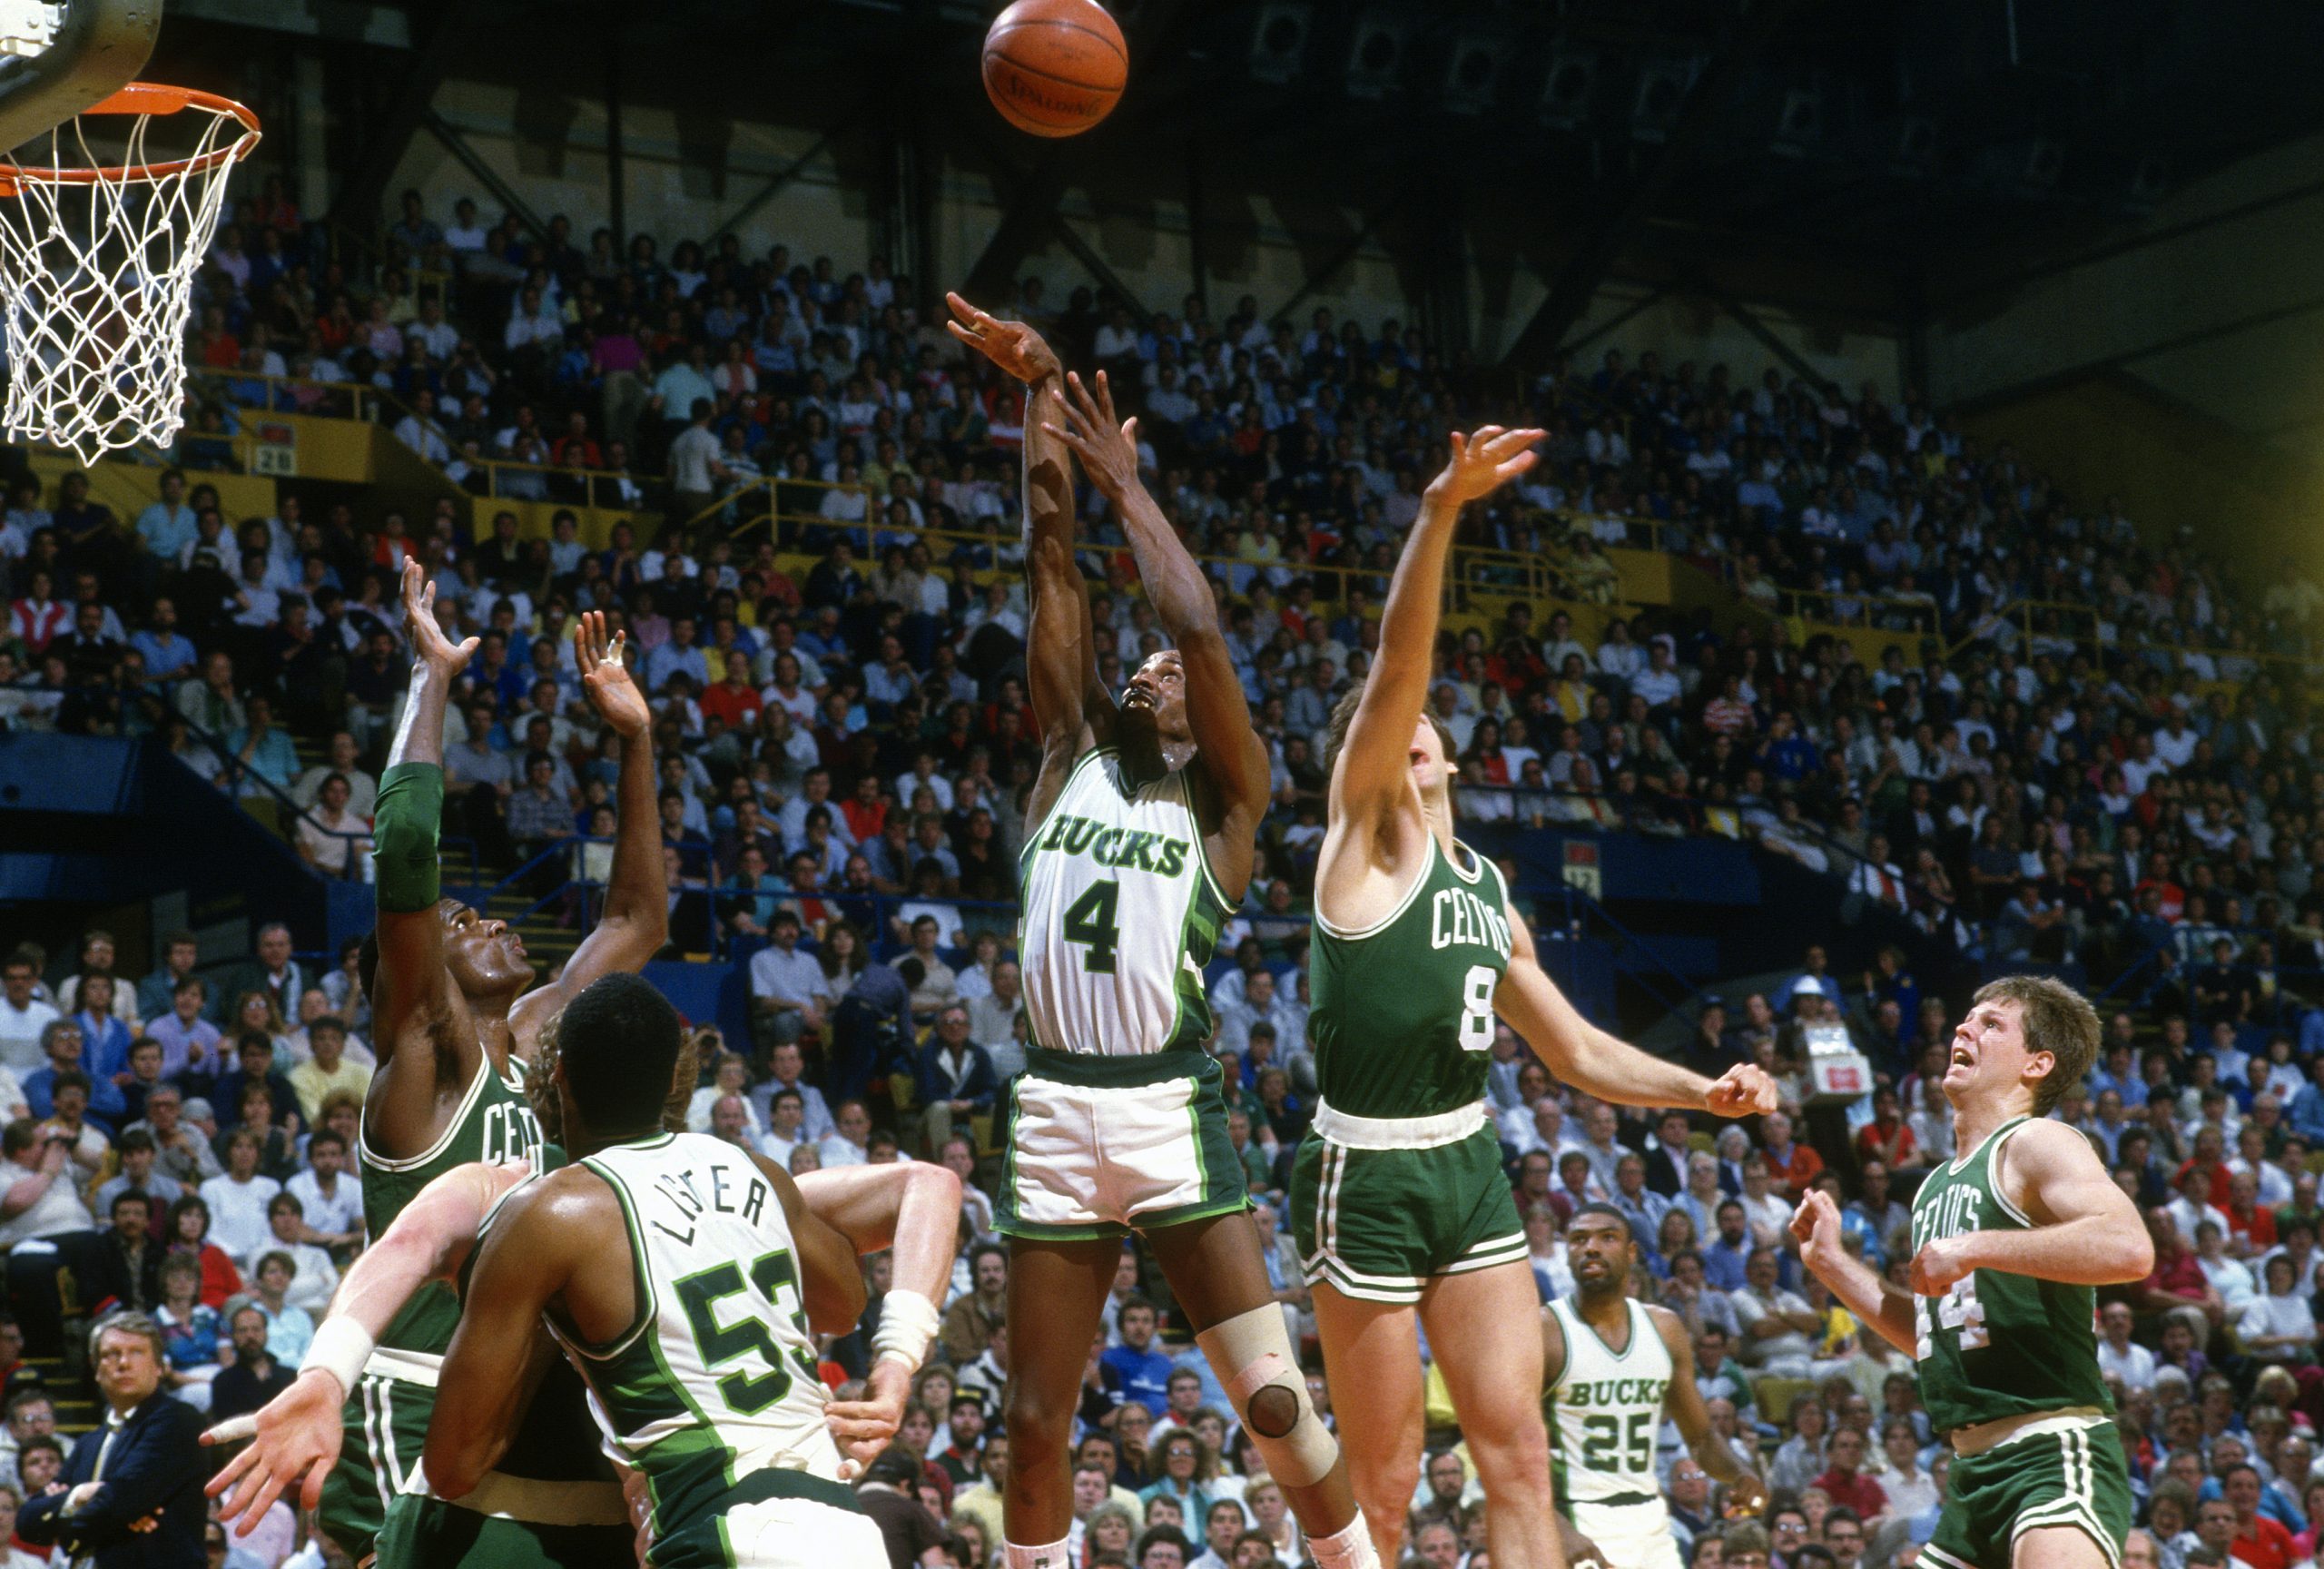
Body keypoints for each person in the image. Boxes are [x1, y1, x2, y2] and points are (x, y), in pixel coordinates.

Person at [1295, 426, 1776, 1569]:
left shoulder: (1488, 890)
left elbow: (1574, 1053)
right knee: (1388, 1476)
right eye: (1385, 723)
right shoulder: (1360, 846)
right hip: (1365, 1169)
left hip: (1464, 1167)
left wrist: (1699, 1091)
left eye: (1418, 728)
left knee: (1516, 1451)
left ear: (1448, 755)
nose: (1404, 724)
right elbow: (1396, 665)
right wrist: (1437, 515)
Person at [947, 295, 1376, 1569]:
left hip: (1169, 1112)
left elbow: (1195, 620)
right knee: (1032, 1427)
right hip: (1055, 1112)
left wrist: (1129, 486)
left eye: (1168, 672)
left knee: (1273, 1402)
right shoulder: (1069, 755)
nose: (1147, 665)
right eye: (1137, 663)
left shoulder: (1229, 801)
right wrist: (1035, 394)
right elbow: (1046, 559)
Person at [205, 974, 965, 1569]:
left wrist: (330, 1374)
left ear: (557, 1076)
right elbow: (844, 1299)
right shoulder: (753, 1176)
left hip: (696, 1527)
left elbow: (453, 1457)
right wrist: (894, 1368)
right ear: (679, 1078)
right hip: (832, 1519)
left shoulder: (544, 1211)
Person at [318, 566, 667, 1565]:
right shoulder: (423, 1055)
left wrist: (636, 741)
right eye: (462, 921)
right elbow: (410, 854)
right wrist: (431, 679)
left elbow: (638, 919)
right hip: (420, 1381)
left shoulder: (542, 1033)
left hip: (531, 1385)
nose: (489, 917)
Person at [1791, 977, 2152, 1569]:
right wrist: (1831, 1265)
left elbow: (2129, 1248)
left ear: (2037, 1064)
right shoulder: (1934, 1186)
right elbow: (1940, 1338)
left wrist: (1976, 1247)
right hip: (1969, 1475)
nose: (1964, 1028)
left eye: (1991, 1024)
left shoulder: (2036, 1141)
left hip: (2050, 1451)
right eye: (1967, 1018)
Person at [1543, 1205, 1767, 1569]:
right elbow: (1510, 1452)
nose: (1591, 1248)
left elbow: (1702, 1439)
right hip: (1577, 1517)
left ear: (1632, 1252)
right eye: (1579, 1240)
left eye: (1607, 1237)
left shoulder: (1665, 1329)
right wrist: (1555, 1528)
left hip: (1649, 1517)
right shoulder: (1545, 1331)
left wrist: (1742, 1473)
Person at [16, 1312, 206, 1566]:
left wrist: (64, 1524)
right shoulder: (89, 1443)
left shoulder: (178, 1421)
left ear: (159, 1367)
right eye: (111, 1354)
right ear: (96, 1370)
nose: (124, 1363)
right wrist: (78, 1495)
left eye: (137, 1352)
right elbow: (27, 1522)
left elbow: (120, 1502)